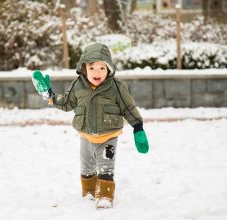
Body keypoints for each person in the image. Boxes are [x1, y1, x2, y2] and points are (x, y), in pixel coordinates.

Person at [32, 42, 149, 208]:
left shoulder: (116, 87)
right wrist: (50, 96)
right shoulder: (78, 86)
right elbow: (66, 103)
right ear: (84, 68)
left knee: (106, 167)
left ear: (109, 69)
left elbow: (129, 108)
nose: (97, 72)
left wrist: (138, 128)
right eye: (92, 67)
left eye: (102, 68)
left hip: (108, 137)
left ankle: (105, 196)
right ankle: (89, 192)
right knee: (86, 167)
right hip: (85, 137)